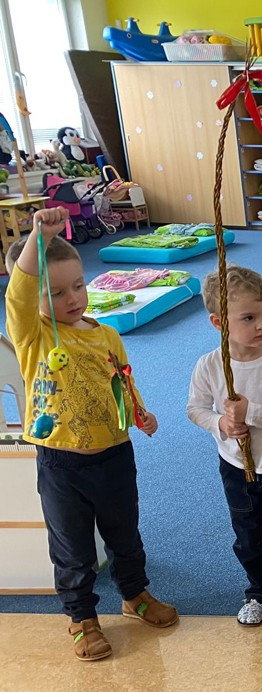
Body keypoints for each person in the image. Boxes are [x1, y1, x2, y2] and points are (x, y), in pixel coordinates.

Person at [4, 207, 176, 660]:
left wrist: (139, 413)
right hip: (61, 463)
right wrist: (38, 239)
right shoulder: (33, 336)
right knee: (72, 547)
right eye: (56, 292)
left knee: (125, 534)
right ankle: (81, 618)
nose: (72, 298)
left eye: (78, 286)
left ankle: (134, 594)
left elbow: (122, 380)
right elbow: (19, 294)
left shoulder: (106, 335)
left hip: (115, 453)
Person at [188, 264, 262, 627]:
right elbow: (195, 409)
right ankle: (258, 591)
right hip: (236, 468)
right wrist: (222, 424)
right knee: (247, 536)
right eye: (249, 318)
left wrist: (249, 412)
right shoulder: (210, 366)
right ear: (218, 323)